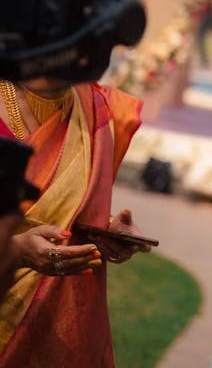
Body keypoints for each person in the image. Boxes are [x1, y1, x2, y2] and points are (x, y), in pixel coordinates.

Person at [0, 77, 147, 366]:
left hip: (66, 329)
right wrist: (16, 251)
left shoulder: (97, 107)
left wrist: (103, 227)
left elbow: (66, 201)